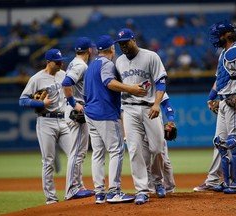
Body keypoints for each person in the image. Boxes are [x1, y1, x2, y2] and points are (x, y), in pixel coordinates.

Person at [194, 20, 236, 194]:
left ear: (226, 35)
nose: (215, 38)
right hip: (225, 100)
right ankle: (230, 181)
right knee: (221, 142)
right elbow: (221, 80)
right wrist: (211, 97)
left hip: (234, 100)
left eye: (218, 34)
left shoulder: (235, 51)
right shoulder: (226, 53)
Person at [83, 35, 147, 204]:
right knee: (116, 150)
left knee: (97, 153)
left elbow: (85, 92)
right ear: (112, 48)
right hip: (105, 113)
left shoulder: (91, 66)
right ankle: (114, 192)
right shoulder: (107, 64)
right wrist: (130, 89)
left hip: (90, 112)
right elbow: (109, 82)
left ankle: (99, 193)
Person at [115, 28, 167, 204]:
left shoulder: (151, 56)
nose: (123, 46)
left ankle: (158, 181)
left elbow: (160, 81)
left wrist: (157, 103)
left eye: (125, 42)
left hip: (149, 108)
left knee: (158, 148)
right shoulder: (119, 62)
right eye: (120, 43)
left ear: (134, 40)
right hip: (129, 109)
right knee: (135, 150)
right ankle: (141, 190)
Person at [19, 48, 73, 204]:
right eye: (57, 62)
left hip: (63, 120)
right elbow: (22, 100)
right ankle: (51, 198)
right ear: (48, 62)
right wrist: (40, 103)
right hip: (45, 121)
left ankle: (72, 190)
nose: (61, 63)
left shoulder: (63, 75)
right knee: (48, 161)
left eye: (61, 61)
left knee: (75, 156)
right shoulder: (37, 78)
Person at [62, 37, 95, 199]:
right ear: (89, 50)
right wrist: (74, 103)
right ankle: (72, 189)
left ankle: (78, 185)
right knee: (76, 152)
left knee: (80, 152)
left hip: (75, 109)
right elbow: (66, 82)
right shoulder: (80, 65)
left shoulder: (74, 63)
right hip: (77, 110)